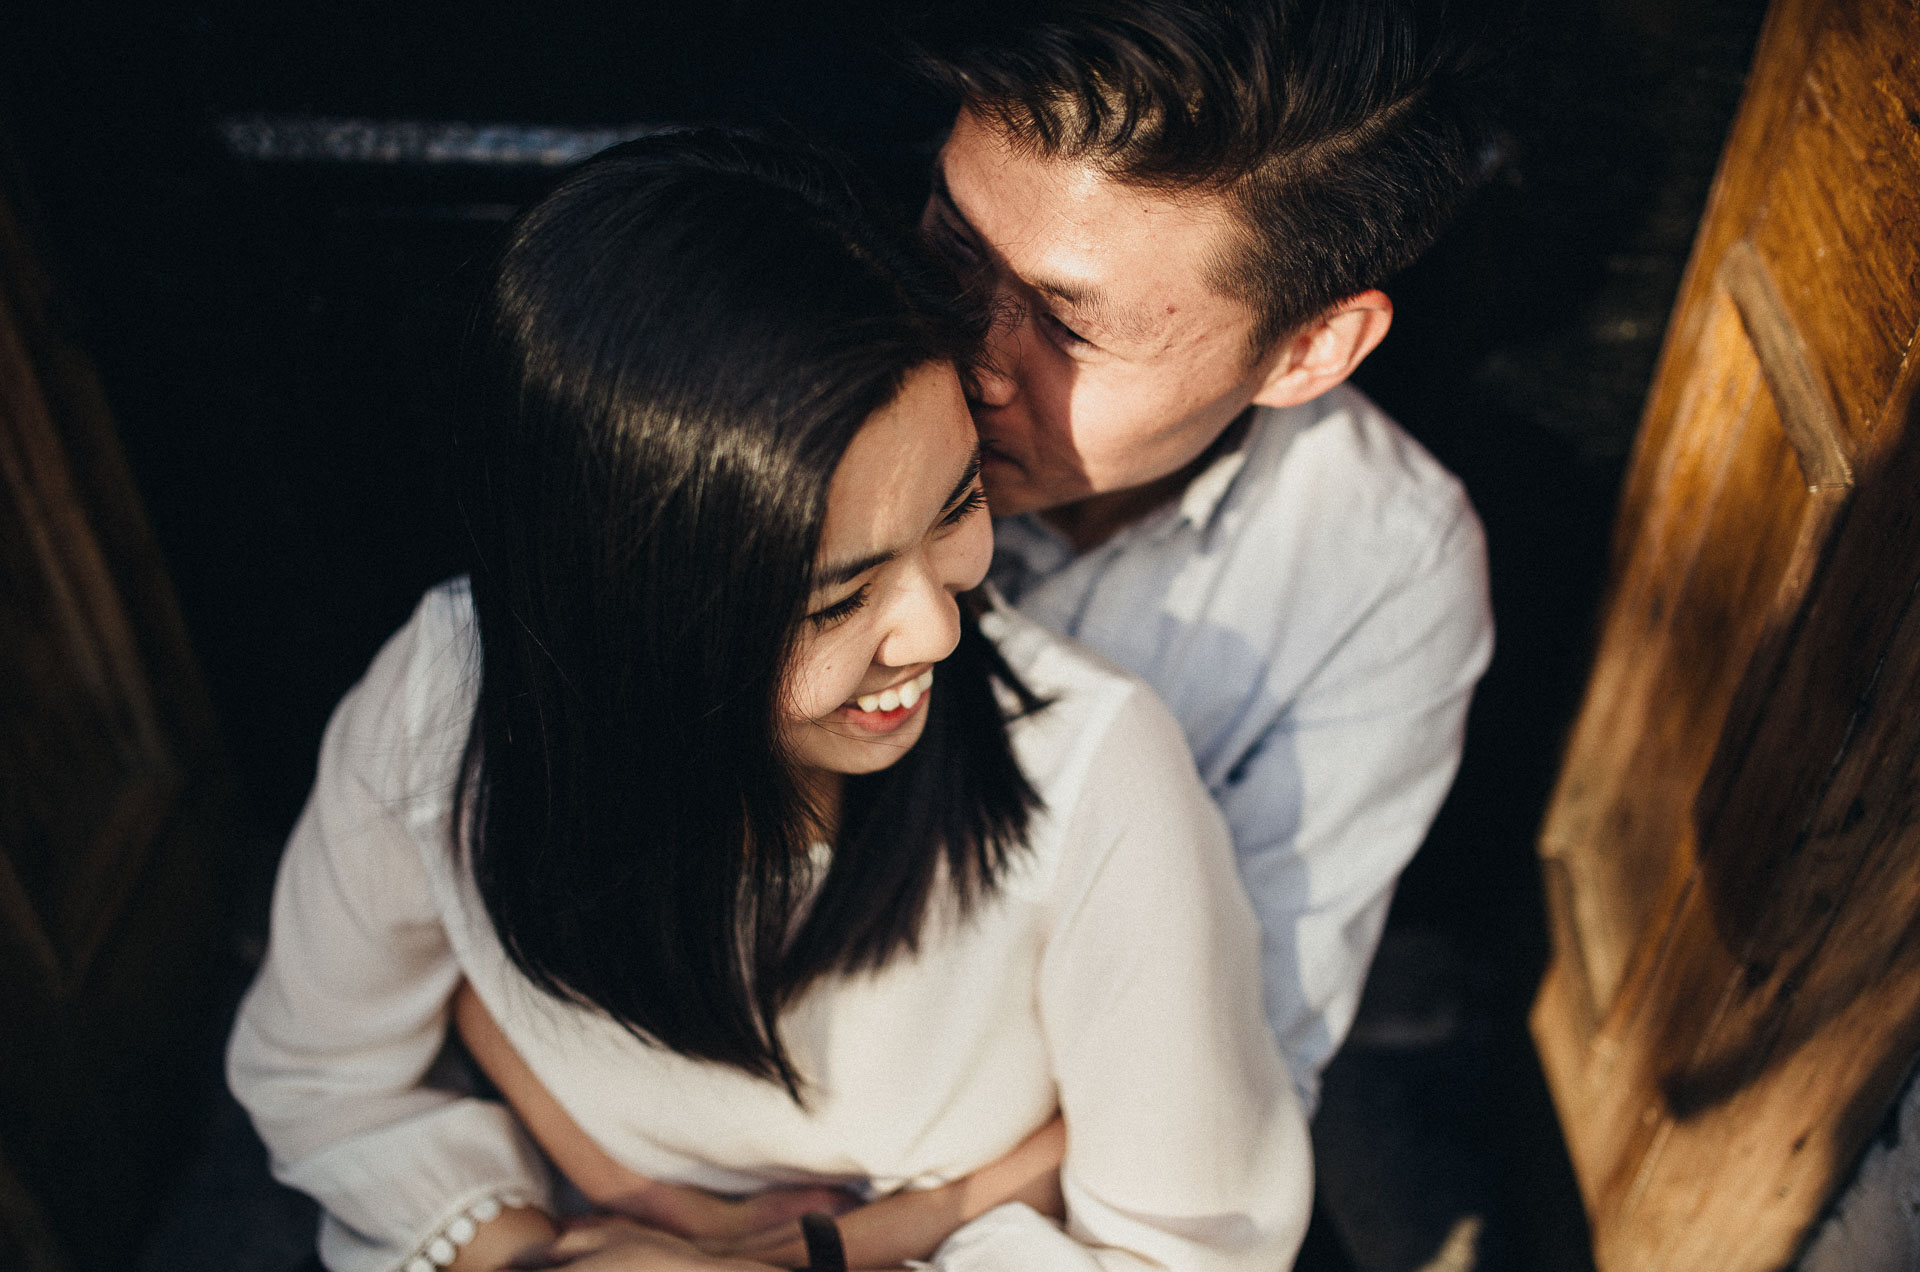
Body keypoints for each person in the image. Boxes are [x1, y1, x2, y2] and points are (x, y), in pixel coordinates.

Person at [227, 131, 1309, 1272]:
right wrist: (538, 1253)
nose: (937, 630)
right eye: (837, 600)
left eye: (955, 507)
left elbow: (1188, 1249)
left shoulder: (1088, 768)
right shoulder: (451, 699)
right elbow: (321, 1072)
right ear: (629, 606)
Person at [911, 0, 1500, 1110]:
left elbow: (1248, 1059)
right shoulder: (781, 370)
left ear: (1310, 348)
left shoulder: (1383, 572)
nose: (968, 358)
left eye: (1070, 328)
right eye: (950, 244)